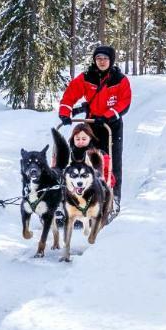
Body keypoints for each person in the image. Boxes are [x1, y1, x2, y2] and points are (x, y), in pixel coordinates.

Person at [58, 45, 131, 210]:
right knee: (85, 159)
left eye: (105, 58)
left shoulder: (120, 79)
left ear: (111, 60)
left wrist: (107, 116)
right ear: (94, 60)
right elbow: (70, 94)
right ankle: (82, 197)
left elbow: (124, 103)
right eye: (99, 58)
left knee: (112, 161)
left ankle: (114, 197)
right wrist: (65, 112)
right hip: (91, 126)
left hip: (111, 126)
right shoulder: (86, 77)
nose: (102, 61)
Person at [66, 121, 115, 190]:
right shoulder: (68, 155)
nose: (80, 142)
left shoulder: (99, 154)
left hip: (94, 190)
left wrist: (105, 184)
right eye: (77, 139)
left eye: (84, 139)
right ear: (73, 139)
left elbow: (108, 174)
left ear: (90, 138)